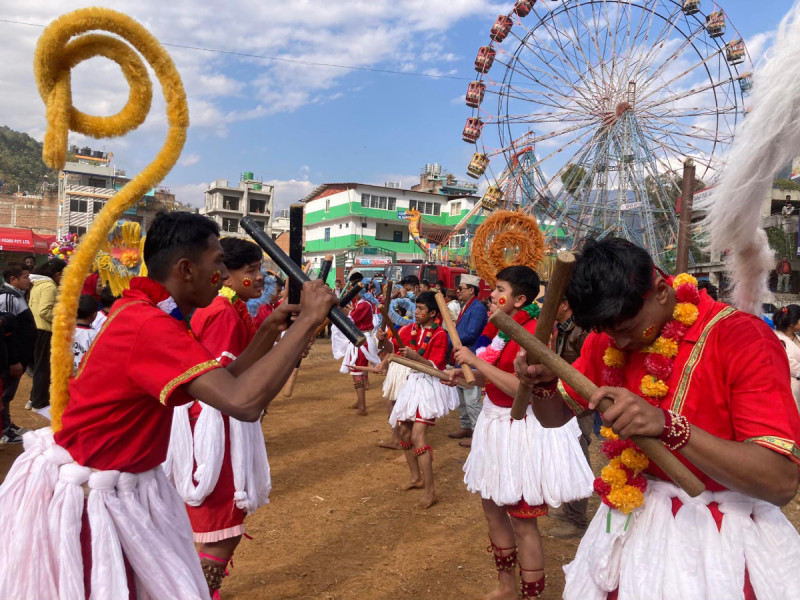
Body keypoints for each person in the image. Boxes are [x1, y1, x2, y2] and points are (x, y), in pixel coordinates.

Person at [0, 211, 337, 599]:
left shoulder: (149, 312)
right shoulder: (150, 324)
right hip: (93, 496)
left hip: (113, 483)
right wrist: (307, 321)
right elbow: (242, 403)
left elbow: (226, 382)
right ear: (186, 269)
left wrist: (267, 331)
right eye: (217, 265)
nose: (225, 277)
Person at [515, 238, 800, 599]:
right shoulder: (607, 340)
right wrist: (542, 385)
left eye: (626, 327)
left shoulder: (743, 338)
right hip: (633, 523)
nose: (617, 343)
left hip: (722, 539)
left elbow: (780, 482)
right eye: (606, 331)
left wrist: (670, 427)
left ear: (662, 291)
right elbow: (554, 418)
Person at [448, 266, 592, 600]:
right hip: (493, 425)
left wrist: (476, 362)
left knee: (523, 522)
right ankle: (507, 587)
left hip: (521, 430)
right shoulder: (498, 329)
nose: (490, 295)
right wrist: (463, 373)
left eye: (498, 289)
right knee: (492, 509)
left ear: (520, 299)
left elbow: (519, 388)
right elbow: (490, 376)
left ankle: (531, 596)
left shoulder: (535, 332)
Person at [165, 237, 270, 597]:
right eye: (251, 270)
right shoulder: (223, 312)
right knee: (222, 527)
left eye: (260, 269)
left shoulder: (226, 308)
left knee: (220, 523)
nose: (260, 278)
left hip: (211, 419)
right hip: (216, 425)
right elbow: (228, 380)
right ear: (225, 276)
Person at [378, 291, 457, 509]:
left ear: (433, 313)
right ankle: (416, 478)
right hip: (411, 384)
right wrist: (383, 341)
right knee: (404, 432)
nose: (418, 313)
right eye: (417, 308)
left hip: (429, 387)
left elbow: (437, 366)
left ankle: (431, 491)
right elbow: (390, 352)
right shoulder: (407, 329)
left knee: (418, 435)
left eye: (422, 309)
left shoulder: (440, 335)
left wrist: (416, 358)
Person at [547, 297, 591, 539]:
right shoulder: (561, 328)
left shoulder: (582, 330)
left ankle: (577, 519)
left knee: (578, 457)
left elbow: (589, 367)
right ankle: (569, 510)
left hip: (580, 401)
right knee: (567, 453)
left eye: (552, 303)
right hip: (565, 398)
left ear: (564, 304)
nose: (547, 308)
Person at [447, 274, 489, 448]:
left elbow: (471, 333)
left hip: (470, 356)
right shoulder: (468, 306)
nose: (458, 291)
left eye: (461, 288)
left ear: (471, 290)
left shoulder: (477, 308)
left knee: (472, 399)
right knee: (463, 397)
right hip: (462, 355)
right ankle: (466, 426)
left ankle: (477, 433)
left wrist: (449, 340)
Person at [332, 271, 380, 416]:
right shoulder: (361, 303)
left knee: (357, 372)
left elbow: (351, 318)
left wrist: (340, 308)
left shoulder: (364, 304)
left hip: (361, 340)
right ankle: (360, 403)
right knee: (356, 372)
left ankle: (362, 407)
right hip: (360, 339)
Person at [0, 263, 35, 441]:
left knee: (8, 393)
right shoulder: (8, 298)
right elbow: (7, 333)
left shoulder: (17, 295)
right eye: (25, 277)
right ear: (13, 279)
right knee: (5, 394)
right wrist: (14, 360)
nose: (29, 281)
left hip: (19, 356)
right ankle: (4, 430)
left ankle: (6, 425)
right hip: (11, 359)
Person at [28, 258, 67, 412]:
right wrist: (61, 319)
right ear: (57, 274)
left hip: (38, 329)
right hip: (44, 330)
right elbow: (45, 311)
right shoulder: (49, 286)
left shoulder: (39, 284)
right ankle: (39, 401)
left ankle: (34, 399)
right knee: (44, 367)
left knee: (40, 367)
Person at [774, 304, 800, 411]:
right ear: (792, 323)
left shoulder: (798, 338)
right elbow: (786, 362)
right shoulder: (775, 338)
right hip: (785, 388)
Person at [72, 294, 98, 374]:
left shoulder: (64, 331)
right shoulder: (94, 335)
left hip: (66, 375)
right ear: (93, 315)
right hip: (85, 375)